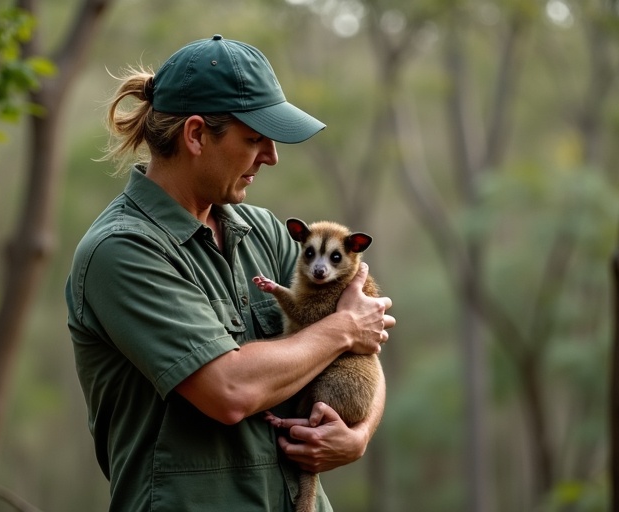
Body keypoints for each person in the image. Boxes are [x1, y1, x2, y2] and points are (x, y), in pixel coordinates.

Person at [65, 34, 395, 511]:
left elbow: (365, 342)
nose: (271, 156)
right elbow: (230, 390)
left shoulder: (263, 231)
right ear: (196, 135)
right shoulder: (122, 251)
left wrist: (359, 433)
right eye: (254, 138)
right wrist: (341, 329)